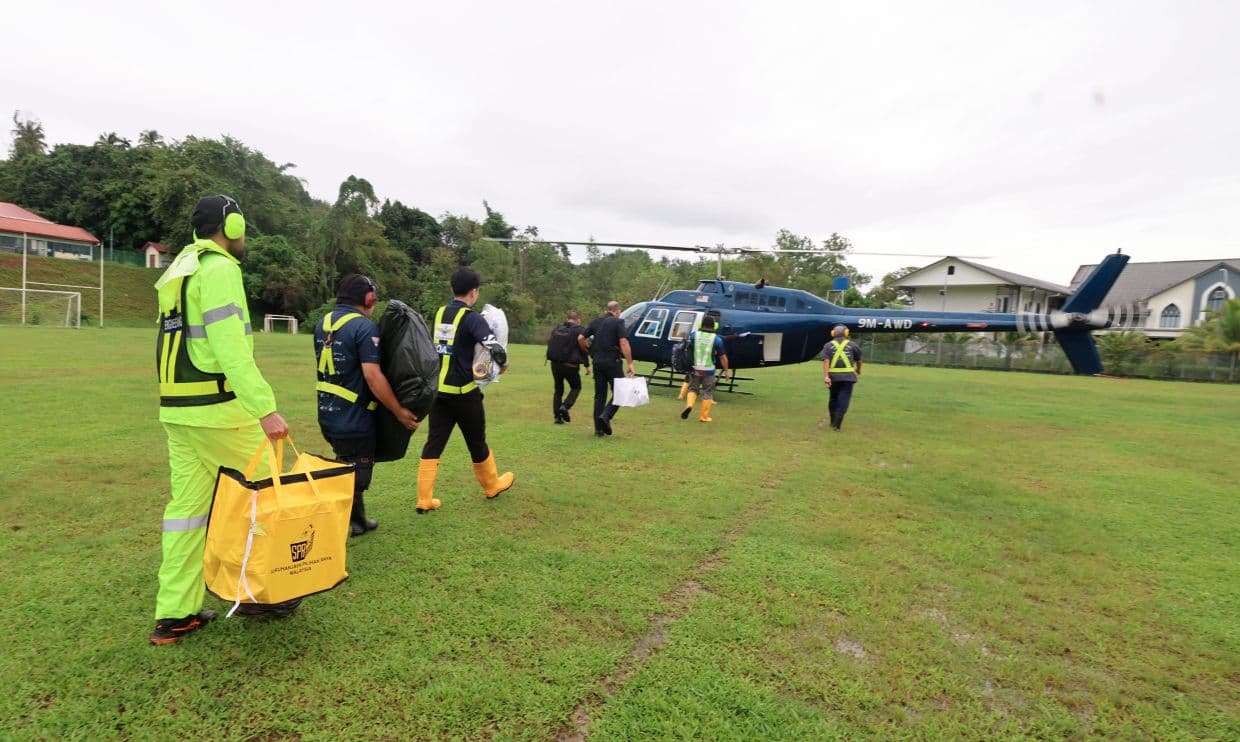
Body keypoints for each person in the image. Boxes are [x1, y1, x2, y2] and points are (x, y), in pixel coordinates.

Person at [151, 194, 290, 644]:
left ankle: (176, 614)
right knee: (265, 495)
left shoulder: (181, 271)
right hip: (219, 411)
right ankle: (261, 593)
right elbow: (231, 350)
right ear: (231, 227)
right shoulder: (220, 270)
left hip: (177, 411)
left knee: (186, 515)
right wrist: (265, 409)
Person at [314, 274, 419, 537]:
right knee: (357, 477)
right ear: (368, 298)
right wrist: (399, 412)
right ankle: (324, 522)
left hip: (328, 413)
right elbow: (373, 377)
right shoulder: (363, 327)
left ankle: (358, 522)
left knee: (345, 463)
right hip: (354, 417)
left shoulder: (323, 323)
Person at [416, 267, 514, 512]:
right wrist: (503, 364)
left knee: (434, 443)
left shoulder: (439, 314)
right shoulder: (472, 318)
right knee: (476, 441)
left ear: (452, 289)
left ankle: (424, 499)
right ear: (474, 292)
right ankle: (491, 485)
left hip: (438, 392)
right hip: (464, 393)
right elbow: (493, 346)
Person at [579, 300, 634, 436]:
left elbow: (580, 338)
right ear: (617, 311)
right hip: (612, 361)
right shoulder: (618, 322)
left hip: (597, 361)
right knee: (621, 392)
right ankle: (607, 415)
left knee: (599, 396)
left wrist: (589, 351)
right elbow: (623, 342)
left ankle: (598, 430)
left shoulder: (595, 322)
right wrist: (630, 363)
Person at [679, 315, 731, 423]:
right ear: (714, 326)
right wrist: (726, 371)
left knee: (693, 389)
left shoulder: (693, 336)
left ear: (701, 325)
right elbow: (723, 357)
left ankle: (689, 405)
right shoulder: (717, 340)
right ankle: (704, 416)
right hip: (709, 370)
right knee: (708, 392)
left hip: (695, 369)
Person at [546, 309, 590, 424]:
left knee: (558, 390)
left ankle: (557, 417)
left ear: (567, 319)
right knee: (576, 387)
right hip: (570, 365)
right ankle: (565, 407)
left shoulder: (557, 328)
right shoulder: (579, 330)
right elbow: (583, 348)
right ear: (578, 320)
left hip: (555, 364)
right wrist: (587, 364)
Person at [822, 324, 862, 431]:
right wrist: (858, 370)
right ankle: (837, 424)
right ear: (846, 333)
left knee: (833, 398)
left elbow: (826, 361)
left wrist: (826, 376)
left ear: (833, 333)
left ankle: (832, 422)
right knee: (844, 399)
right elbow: (859, 360)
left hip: (833, 378)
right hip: (848, 378)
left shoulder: (828, 346)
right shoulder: (853, 345)